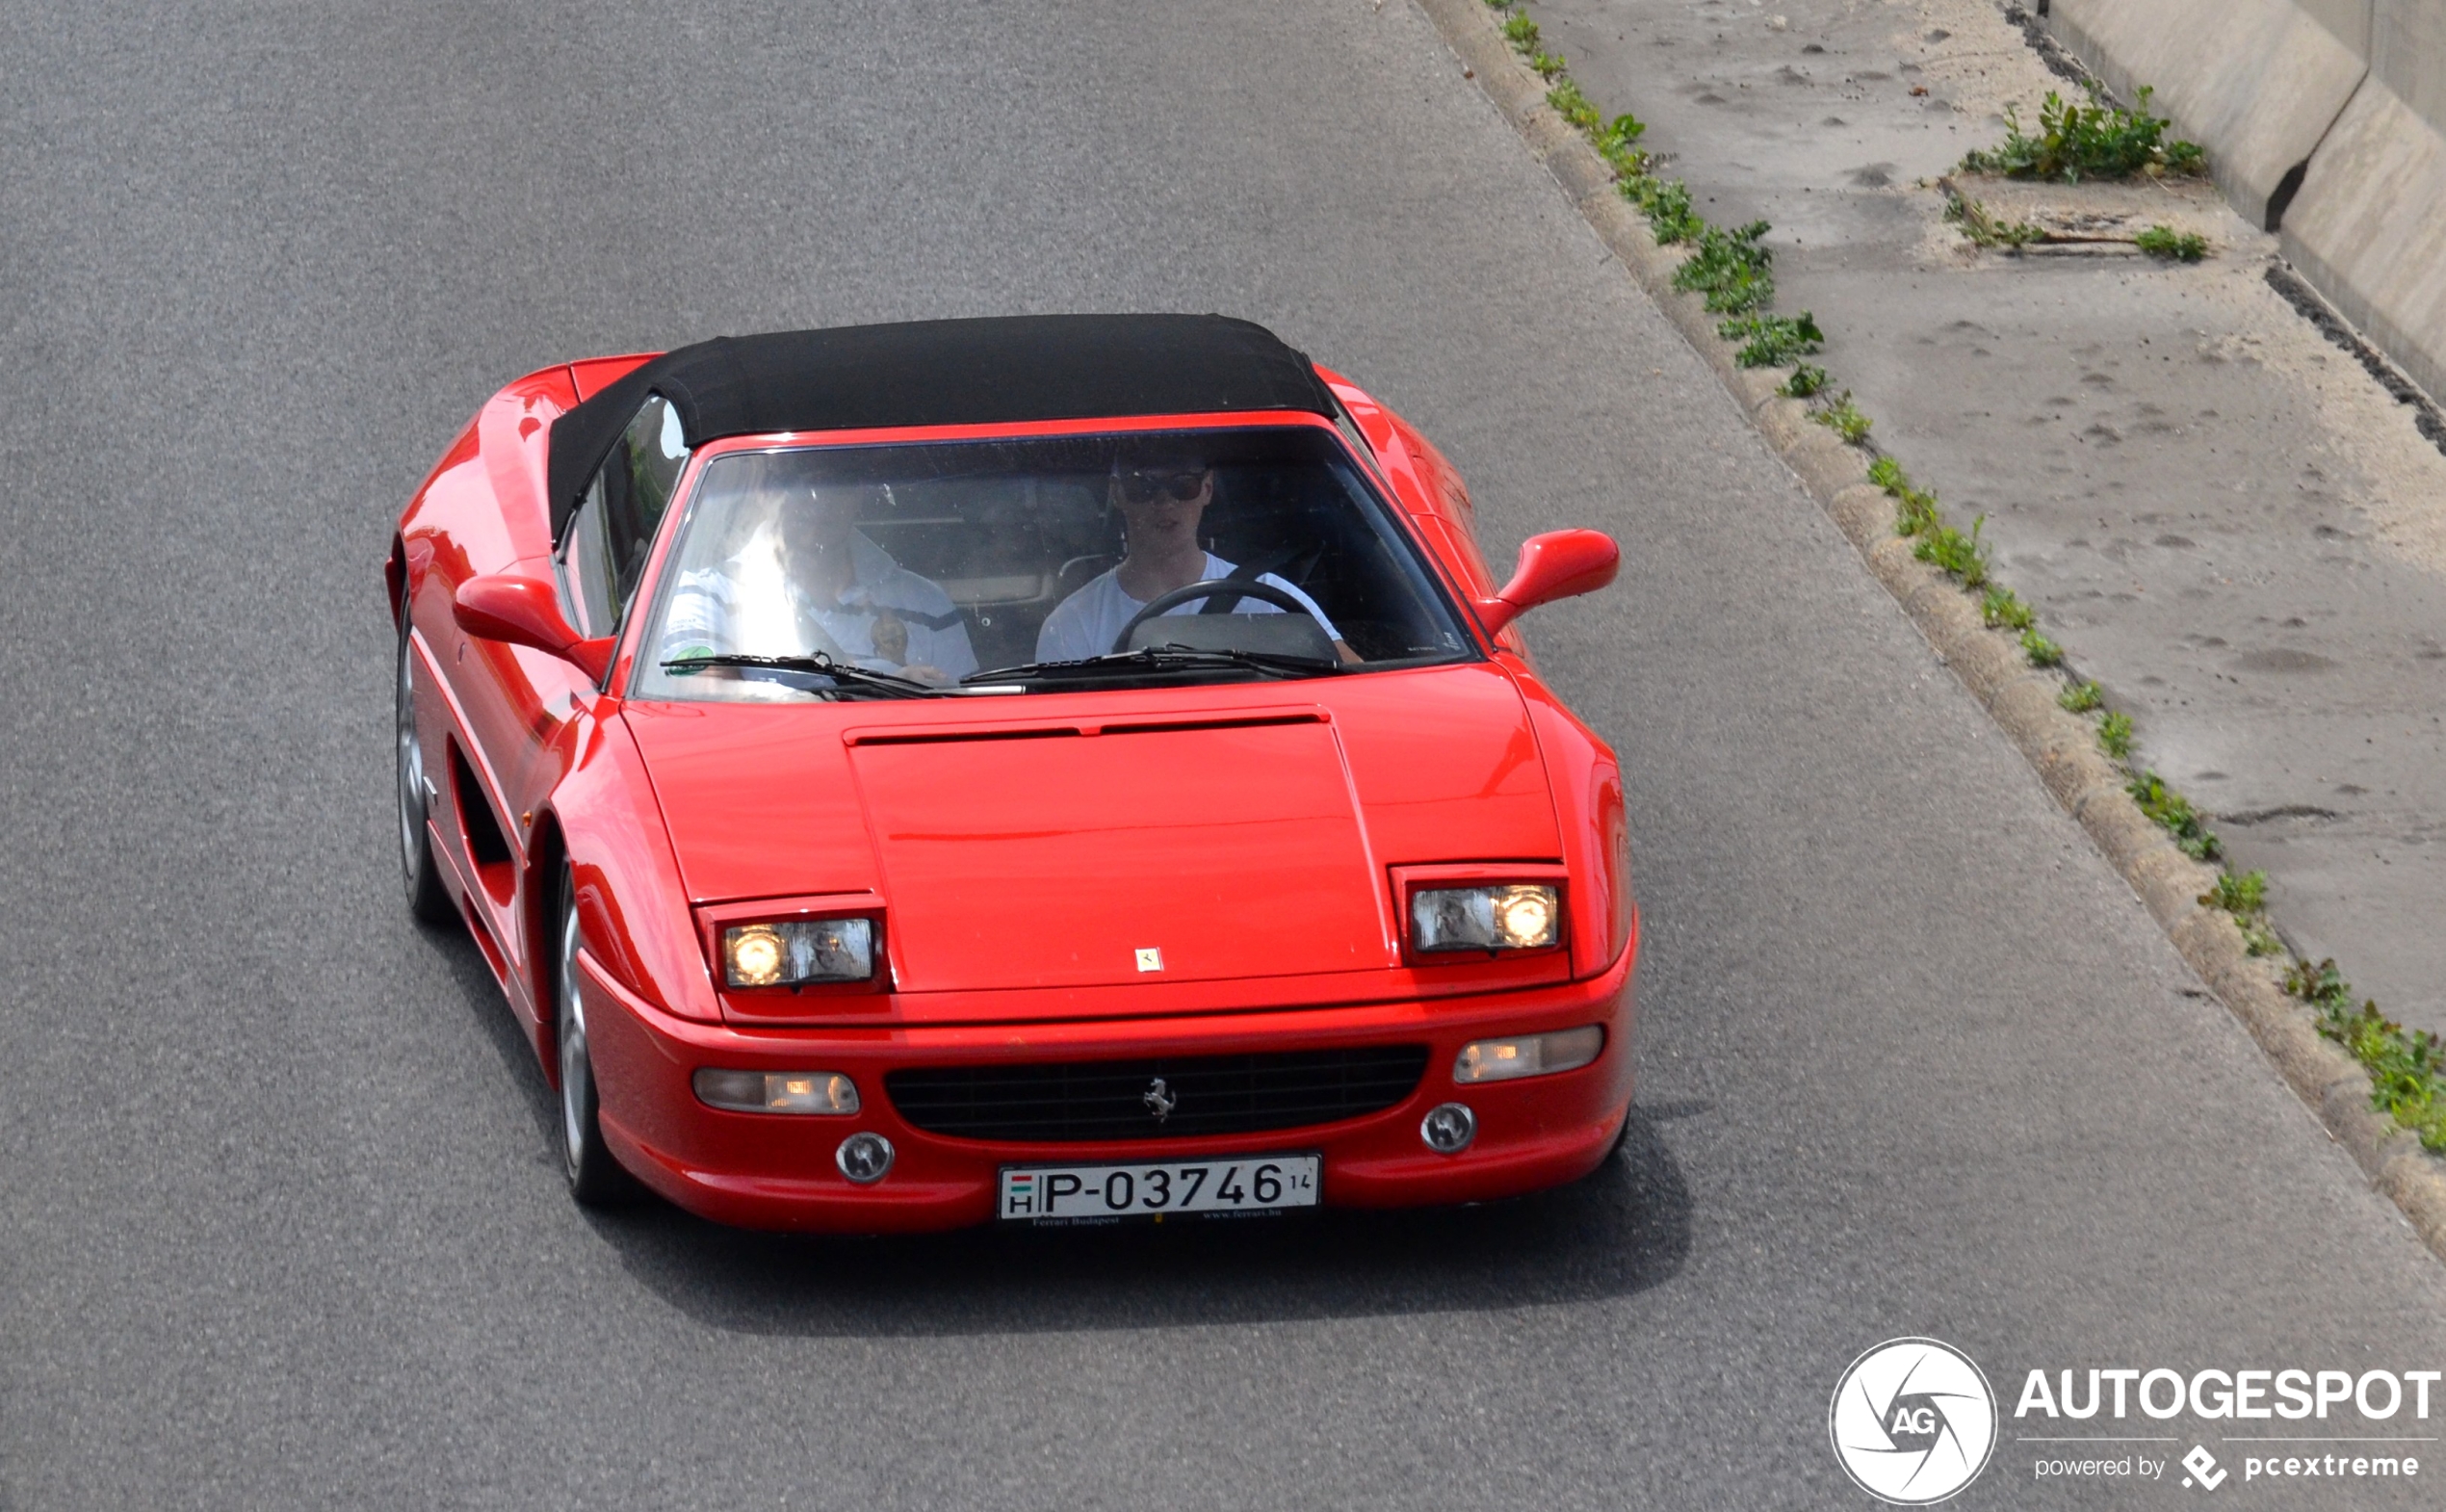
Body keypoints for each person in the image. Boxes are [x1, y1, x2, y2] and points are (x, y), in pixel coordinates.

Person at [658, 460, 977, 684]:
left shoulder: (926, 603)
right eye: (795, 482)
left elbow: (966, 718)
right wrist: (879, 690)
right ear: (764, 492)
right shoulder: (705, 595)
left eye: (830, 483)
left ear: (858, 494)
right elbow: (694, 696)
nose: (814, 499)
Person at [1034, 453, 1350, 663]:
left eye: (1182, 485)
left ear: (1207, 488)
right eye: (1143, 485)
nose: (1164, 501)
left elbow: (1355, 687)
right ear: (1117, 493)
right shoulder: (1072, 625)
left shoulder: (1273, 602)